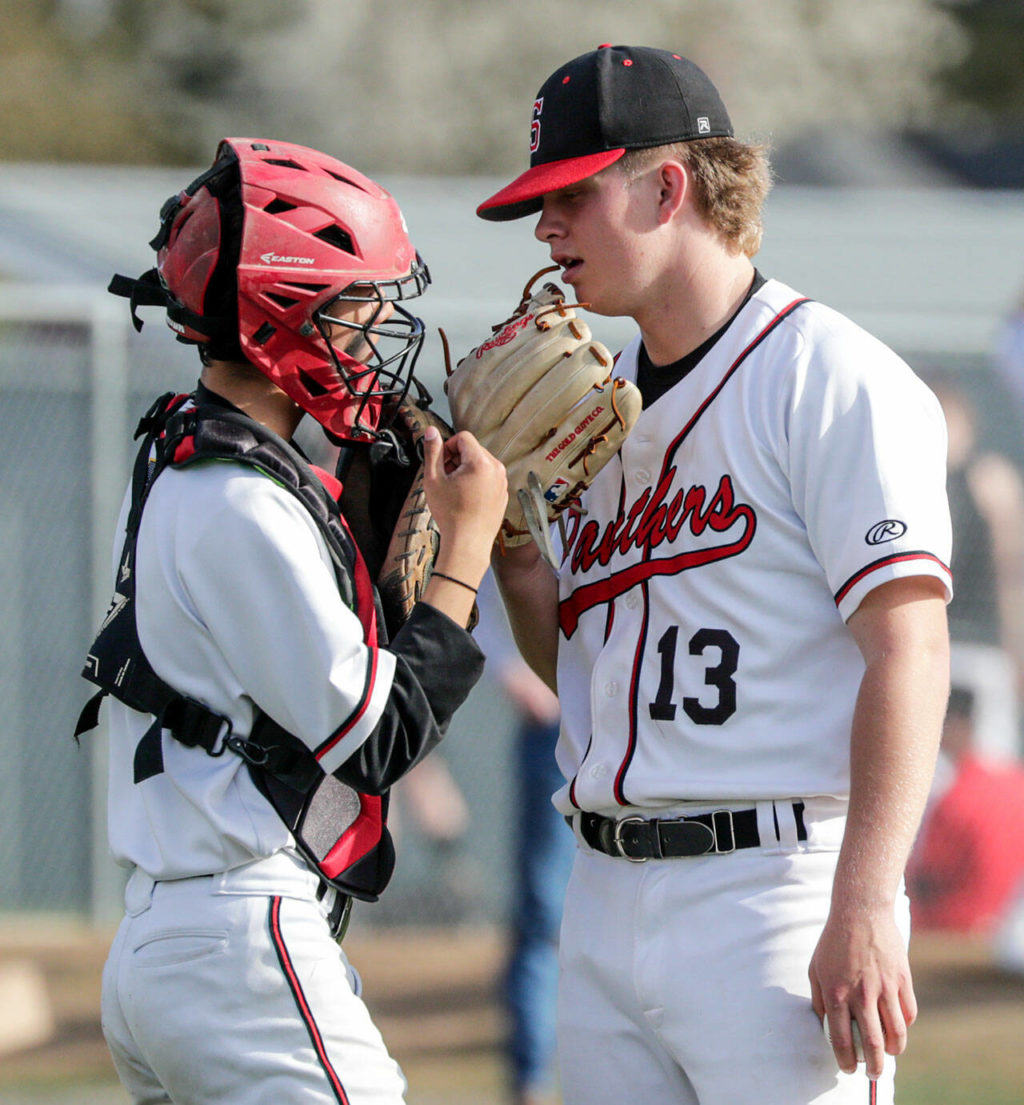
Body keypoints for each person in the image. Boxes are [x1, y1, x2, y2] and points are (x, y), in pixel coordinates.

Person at [476, 45, 952, 1105]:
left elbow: (909, 646)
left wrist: (867, 899)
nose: (546, 228)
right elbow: (591, 678)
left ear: (667, 185)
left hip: (773, 889)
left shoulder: (829, 376)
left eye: (569, 194)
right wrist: (514, 555)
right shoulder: (582, 414)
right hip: (603, 892)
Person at [85, 138, 507, 1104]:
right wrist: (467, 552)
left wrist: (371, 520)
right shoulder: (240, 498)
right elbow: (380, 734)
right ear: (286, 316)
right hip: (236, 937)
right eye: (359, 309)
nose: (379, 336)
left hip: (180, 936)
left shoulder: (193, 455)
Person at [474, 574, 575, 1105]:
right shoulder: (522, 499)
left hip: (639, 723)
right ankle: (530, 1081)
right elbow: (474, 591)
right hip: (558, 730)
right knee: (543, 914)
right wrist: (516, 675)